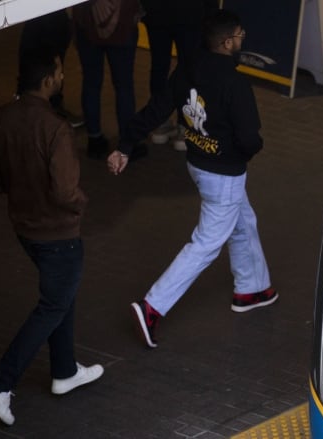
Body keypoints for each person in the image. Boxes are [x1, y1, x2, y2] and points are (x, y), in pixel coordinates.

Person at [106, 9, 277, 349]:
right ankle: (152, 307)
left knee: (243, 222)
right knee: (205, 244)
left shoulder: (186, 70)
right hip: (224, 173)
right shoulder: (235, 84)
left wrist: (126, 144)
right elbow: (248, 137)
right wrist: (247, 152)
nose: (243, 40)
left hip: (197, 165)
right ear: (227, 42)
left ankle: (252, 288)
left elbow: (157, 108)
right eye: (240, 36)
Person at [0, 47, 103, 426]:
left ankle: (64, 372)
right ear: (48, 80)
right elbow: (65, 191)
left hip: (24, 227)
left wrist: (11, 188)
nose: (63, 77)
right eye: (60, 72)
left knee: (60, 297)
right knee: (53, 305)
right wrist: (81, 204)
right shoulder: (55, 128)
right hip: (59, 233)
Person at [140, 0, 219, 151]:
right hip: (190, 13)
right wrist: (211, 14)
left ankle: (159, 122)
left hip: (157, 13)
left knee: (159, 67)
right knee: (189, 70)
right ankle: (185, 126)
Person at [72, 0, 144, 159]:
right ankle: (127, 143)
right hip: (123, 22)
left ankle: (94, 138)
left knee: (91, 83)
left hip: (87, 21)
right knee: (124, 86)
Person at [17, 8, 83, 128]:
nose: (62, 76)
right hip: (46, 20)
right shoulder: (58, 135)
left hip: (45, 18)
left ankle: (52, 109)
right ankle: (54, 110)